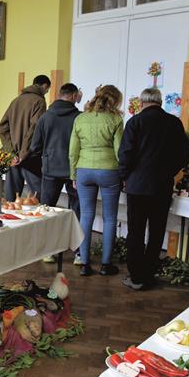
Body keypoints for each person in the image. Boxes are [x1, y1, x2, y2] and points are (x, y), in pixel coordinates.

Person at [118, 88, 189, 290]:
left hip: (137, 186)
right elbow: (184, 154)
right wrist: (170, 172)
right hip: (162, 185)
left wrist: (124, 176)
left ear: (142, 103)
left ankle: (136, 276)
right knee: (157, 231)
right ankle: (149, 272)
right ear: (159, 102)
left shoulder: (135, 122)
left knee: (135, 231)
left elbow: (125, 154)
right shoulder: (174, 123)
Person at [69, 84, 124, 277]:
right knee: (110, 218)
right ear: (115, 101)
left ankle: (84, 263)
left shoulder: (80, 118)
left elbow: (73, 151)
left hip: (84, 170)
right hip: (109, 171)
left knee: (86, 216)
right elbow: (119, 151)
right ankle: (106, 265)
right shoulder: (116, 120)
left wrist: (73, 175)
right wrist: (123, 175)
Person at [30, 82, 83, 264]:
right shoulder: (79, 117)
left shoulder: (46, 117)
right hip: (74, 171)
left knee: (47, 209)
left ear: (60, 94)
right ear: (74, 96)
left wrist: (47, 154)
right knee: (78, 210)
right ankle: (79, 253)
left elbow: (34, 147)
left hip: (51, 169)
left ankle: (47, 251)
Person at [0, 75, 51, 201]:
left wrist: (11, 153)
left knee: (11, 199)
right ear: (44, 86)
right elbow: (35, 129)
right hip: (30, 157)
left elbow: (2, 127)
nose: (47, 92)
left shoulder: (16, 100)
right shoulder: (39, 101)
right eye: (47, 89)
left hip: (14, 158)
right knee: (38, 198)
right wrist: (23, 154)